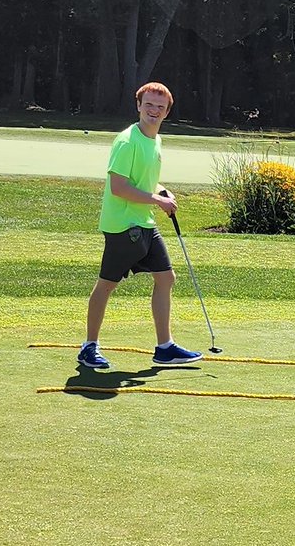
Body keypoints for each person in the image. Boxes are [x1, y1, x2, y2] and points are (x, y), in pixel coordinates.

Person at [78, 82, 202, 369]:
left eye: (160, 107)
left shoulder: (154, 140)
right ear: (138, 106)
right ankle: (89, 347)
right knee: (107, 285)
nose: (153, 111)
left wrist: (161, 191)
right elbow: (118, 187)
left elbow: (142, 181)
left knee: (166, 278)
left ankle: (165, 348)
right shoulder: (127, 141)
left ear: (167, 112)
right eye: (149, 105)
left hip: (143, 222)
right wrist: (157, 201)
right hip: (124, 226)